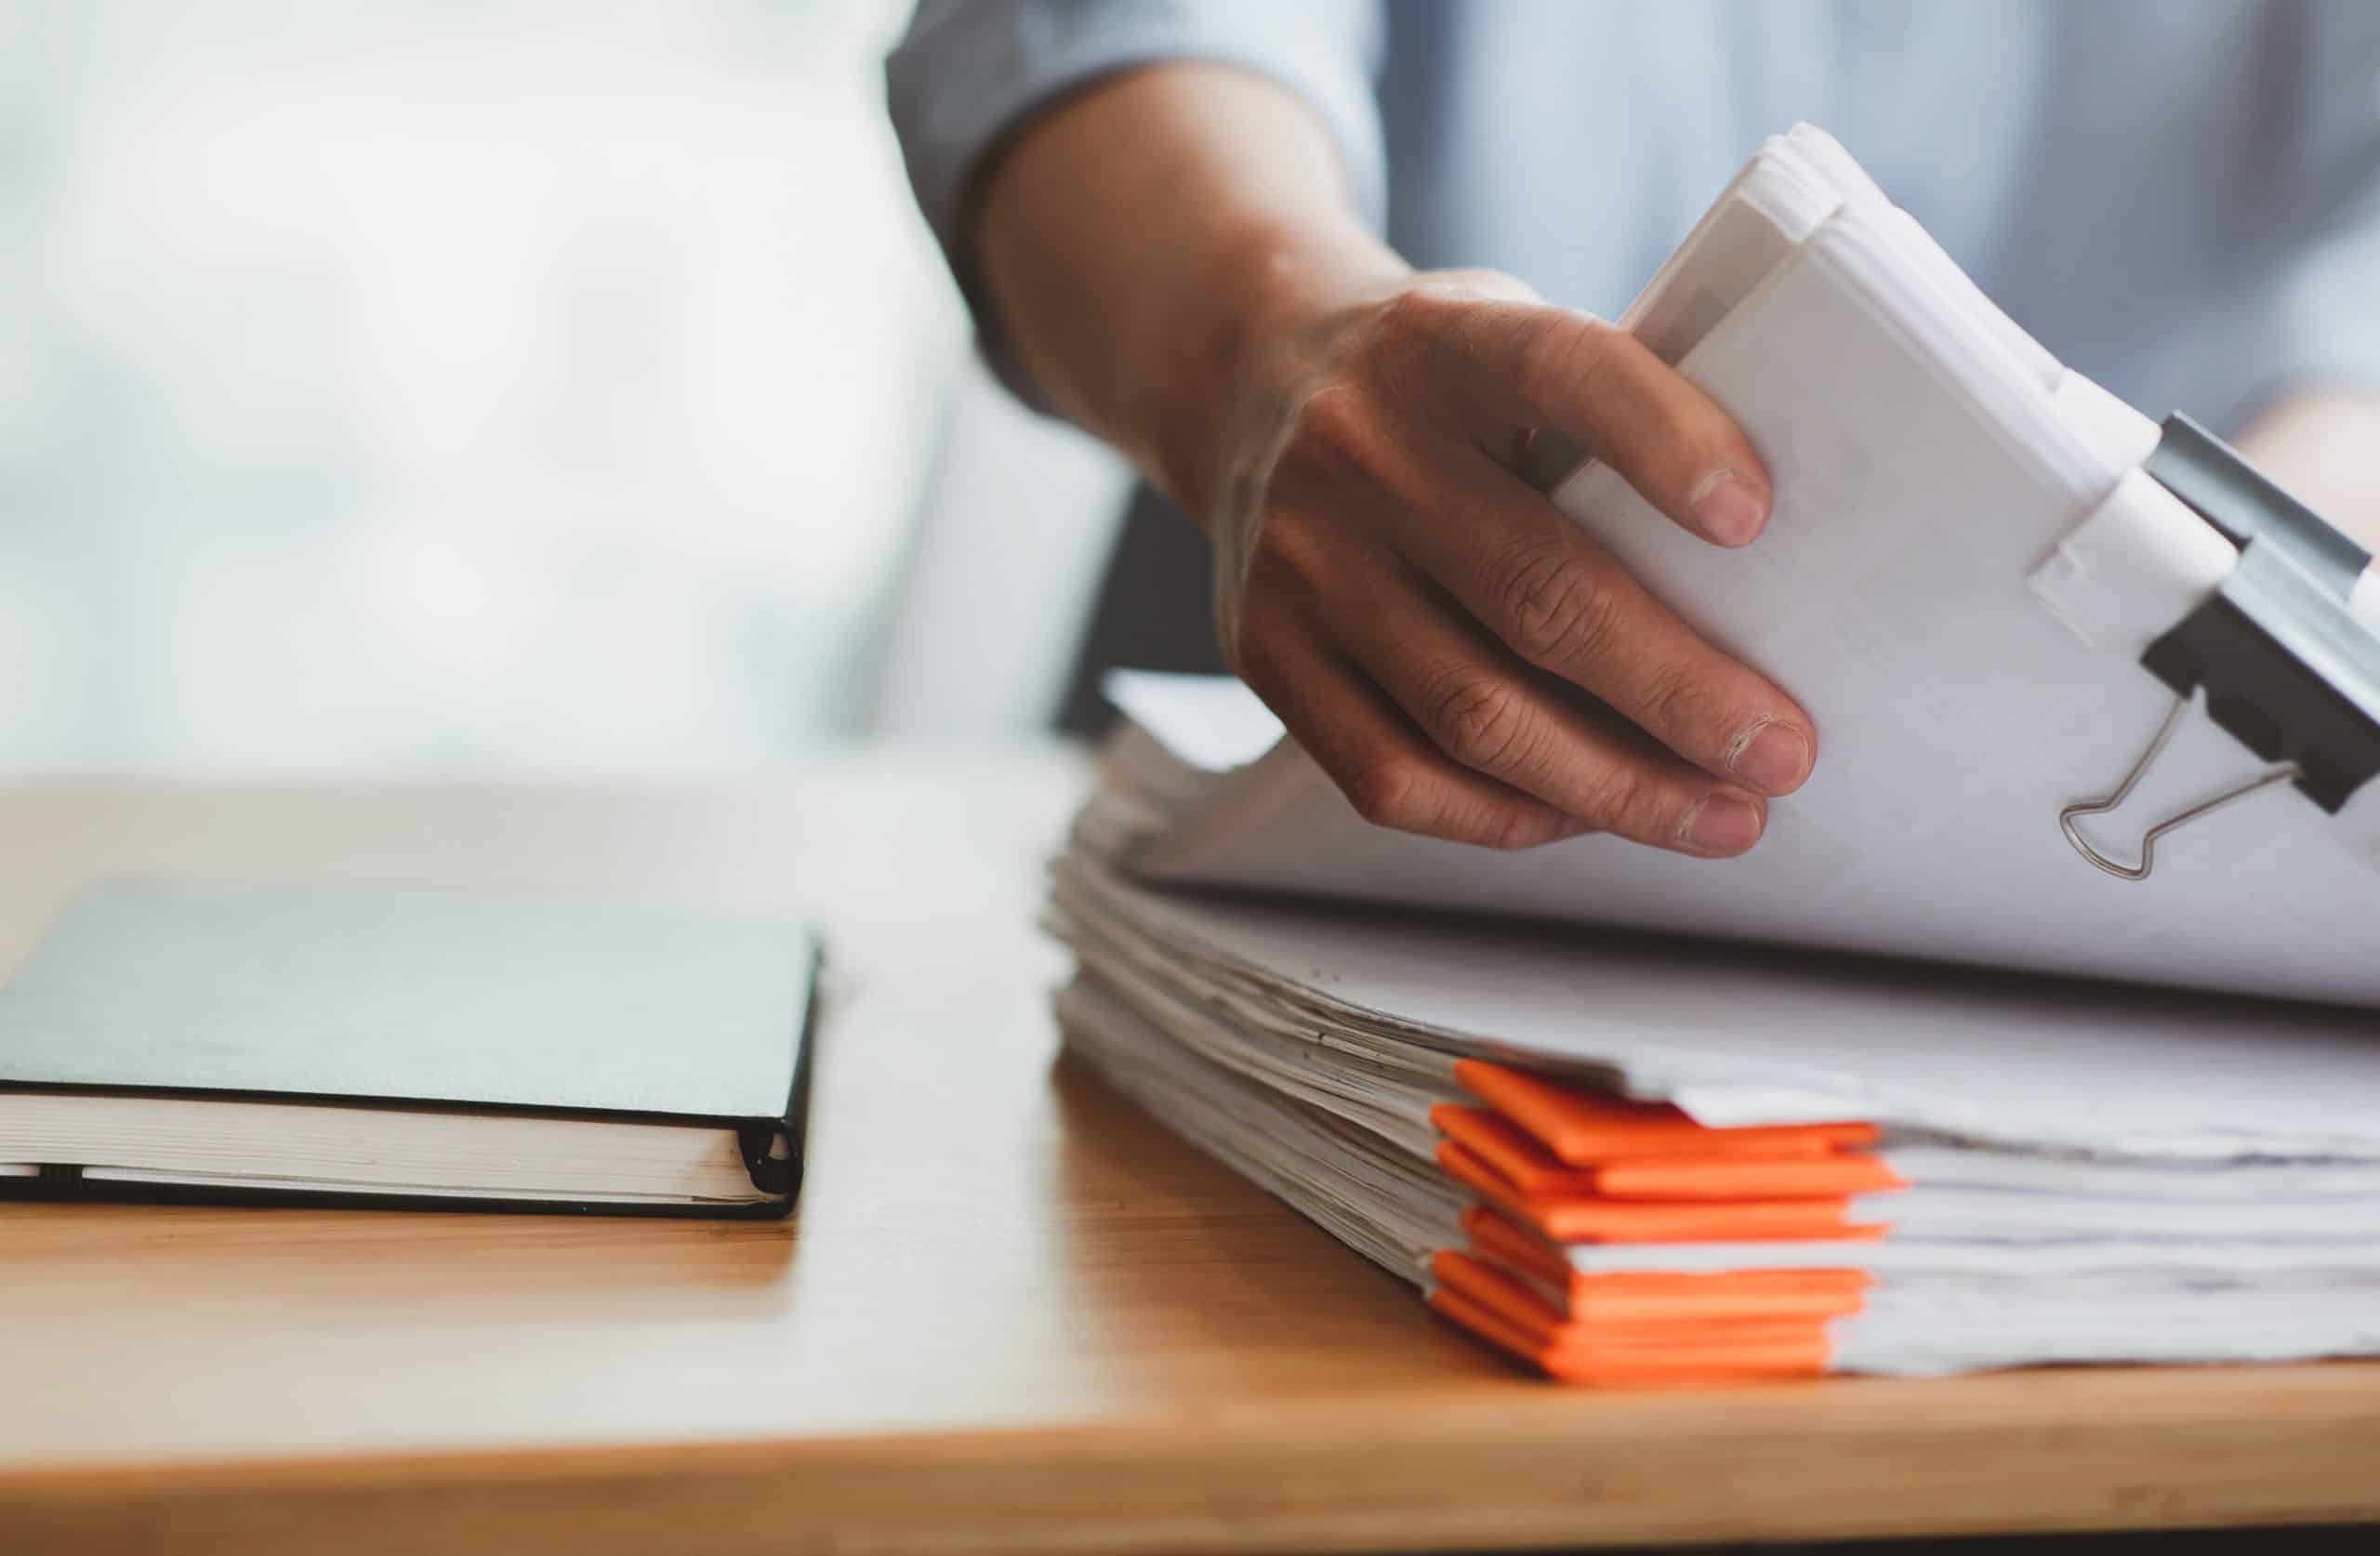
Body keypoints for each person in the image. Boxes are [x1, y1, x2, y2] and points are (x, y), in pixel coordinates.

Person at [887, 1, 2380, 859]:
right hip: (1342, 873)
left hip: (2139, 969)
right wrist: (1277, 344)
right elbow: (1093, 29)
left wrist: (2281, 607)